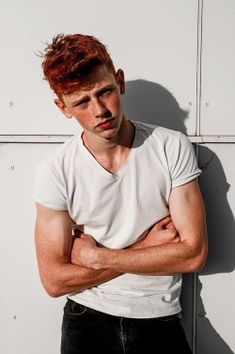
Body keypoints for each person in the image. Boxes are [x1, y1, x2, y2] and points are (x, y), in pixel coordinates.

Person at [33, 33, 208, 354]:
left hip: (159, 317)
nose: (100, 110)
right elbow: (55, 281)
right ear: (63, 108)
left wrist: (97, 256)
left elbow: (194, 254)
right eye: (82, 102)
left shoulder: (170, 147)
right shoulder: (56, 170)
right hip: (86, 319)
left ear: (120, 81)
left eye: (105, 92)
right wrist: (147, 247)